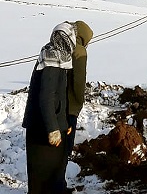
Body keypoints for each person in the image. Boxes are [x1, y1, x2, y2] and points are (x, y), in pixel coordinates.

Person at [22, 22, 77, 194]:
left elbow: (59, 96)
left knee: (53, 175)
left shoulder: (57, 58)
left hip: (49, 126)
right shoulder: (52, 60)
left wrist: (65, 121)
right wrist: (53, 128)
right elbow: (46, 97)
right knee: (44, 178)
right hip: (43, 130)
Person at [63, 20, 93, 193]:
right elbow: (79, 81)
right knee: (65, 149)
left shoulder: (64, 46)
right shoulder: (79, 50)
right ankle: (60, 184)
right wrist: (79, 102)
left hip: (58, 104)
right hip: (70, 107)